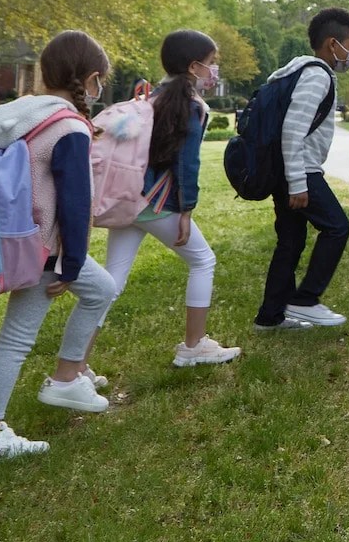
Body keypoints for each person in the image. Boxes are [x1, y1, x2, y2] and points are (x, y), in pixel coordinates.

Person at [0, 30, 117, 465]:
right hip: (47, 250)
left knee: (101, 290)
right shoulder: (68, 127)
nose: (98, 88)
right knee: (15, 341)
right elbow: (74, 202)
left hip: (21, 240)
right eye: (99, 80)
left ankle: (65, 378)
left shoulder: (24, 117)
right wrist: (71, 264)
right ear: (89, 79)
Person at [95, 29, 243, 369]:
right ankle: (194, 346)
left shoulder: (149, 99)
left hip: (130, 200)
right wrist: (187, 210)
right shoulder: (190, 106)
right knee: (202, 261)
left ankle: (75, 365)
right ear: (194, 67)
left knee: (112, 281)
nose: (214, 70)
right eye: (211, 64)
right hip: (158, 203)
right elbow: (186, 164)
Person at [253, 6, 349, 330]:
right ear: (333, 44)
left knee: (291, 241)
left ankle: (270, 317)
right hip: (301, 170)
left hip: (286, 170)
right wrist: (298, 182)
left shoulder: (295, 71)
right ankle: (305, 299)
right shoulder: (316, 76)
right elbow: (292, 131)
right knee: (337, 227)